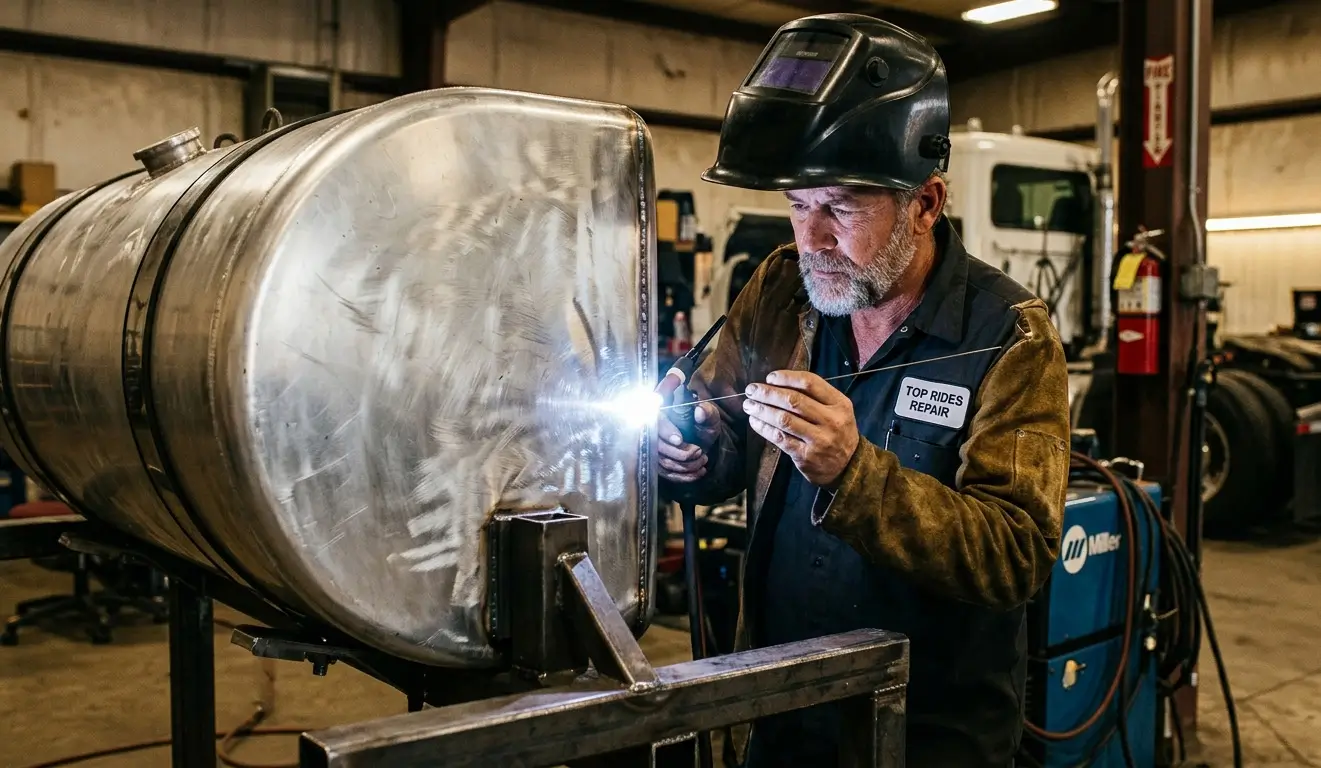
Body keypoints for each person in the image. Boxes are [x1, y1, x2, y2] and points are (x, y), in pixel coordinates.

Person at [655, 13, 1071, 768]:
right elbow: (714, 429)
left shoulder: (1011, 335)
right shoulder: (782, 287)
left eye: (840, 208)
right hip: (777, 703)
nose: (811, 239)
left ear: (925, 202)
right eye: (797, 205)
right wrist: (686, 451)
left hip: (927, 732)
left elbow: (1016, 554)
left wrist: (855, 474)